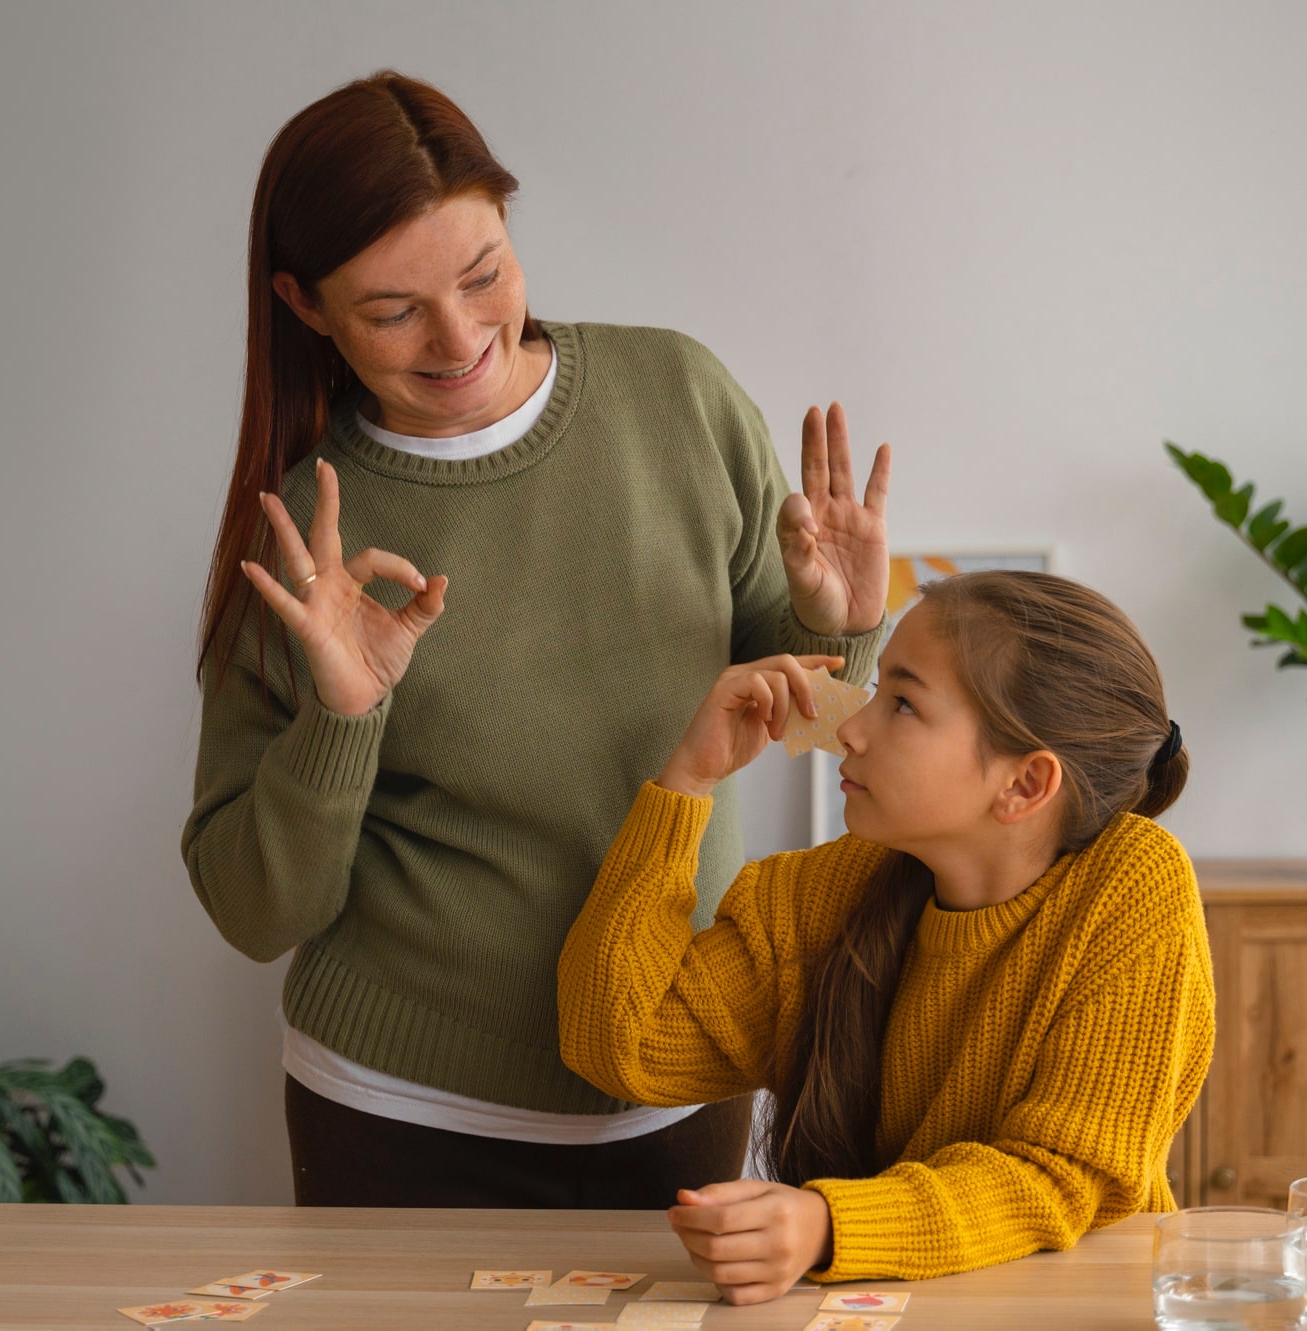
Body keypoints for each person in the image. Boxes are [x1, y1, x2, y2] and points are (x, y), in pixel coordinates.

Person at [181, 70, 891, 1208]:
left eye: (482, 275)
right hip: (402, 1113)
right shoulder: (307, 533)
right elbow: (256, 912)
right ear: (305, 306)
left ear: (510, 225)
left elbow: (803, 723)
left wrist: (837, 629)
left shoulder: (679, 397)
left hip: (676, 1072)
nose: (457, 336)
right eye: (390, 309)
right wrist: (341, 718)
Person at [558, 571, 1214, 1299]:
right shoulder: (827, 891)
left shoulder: (1133, 886)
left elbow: (1057, 1174)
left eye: (902, 702)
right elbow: (616, 1041)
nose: (851, 729)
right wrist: (687, 782)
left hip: (1076, 1309)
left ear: (1026, 784)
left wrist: (832, 1224)